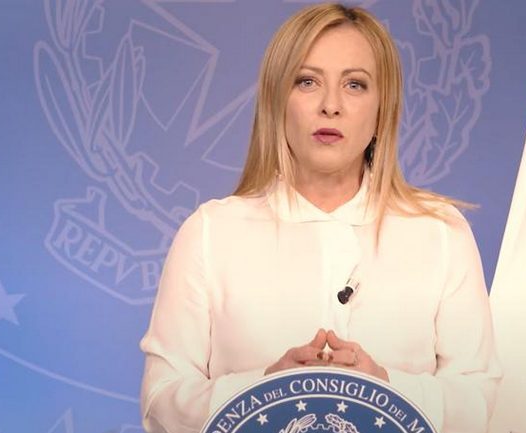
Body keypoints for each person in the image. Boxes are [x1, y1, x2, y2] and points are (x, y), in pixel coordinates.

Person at [139, 4, 500, 433]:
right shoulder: (210, 233)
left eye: (355, 84)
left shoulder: (441, 232)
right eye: (307, 82)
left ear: (382, 108)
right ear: (277, 99)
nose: (331, 106)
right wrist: (267, 391)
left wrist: (383, 389)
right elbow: (161, 402)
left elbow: (476, 400)